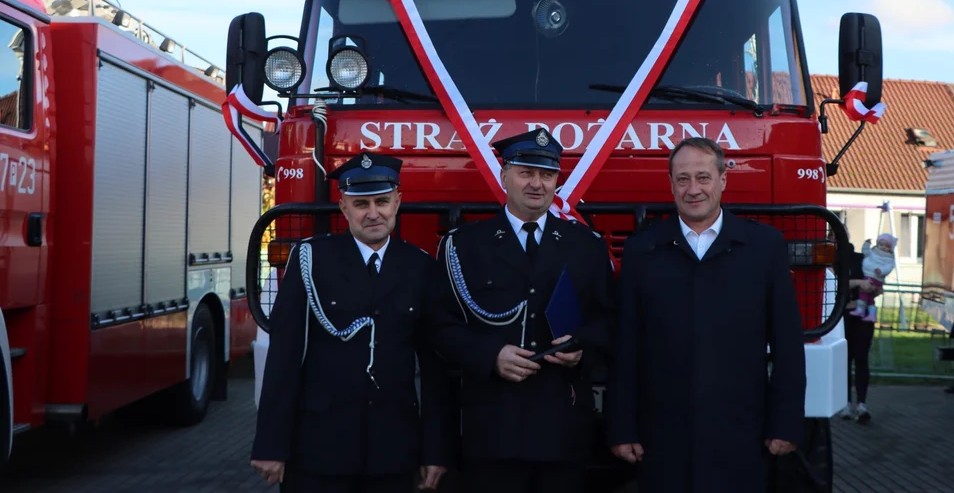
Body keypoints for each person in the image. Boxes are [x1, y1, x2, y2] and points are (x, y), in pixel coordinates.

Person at [605, 137, 806, 493]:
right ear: (671, 184)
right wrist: (622, 427)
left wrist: (786, 423)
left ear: (723, 180)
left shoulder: (765, 247)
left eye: (703, 177)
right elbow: (626, 345)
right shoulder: (642, 250)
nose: (693, 189)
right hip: (663, 436)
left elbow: (788, 343)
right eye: (683, 179)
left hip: (743, 434)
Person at [426, 128, 616, 493]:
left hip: (562, 427)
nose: (537, 184)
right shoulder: (464, 245)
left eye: (547, 175)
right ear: (504, 176)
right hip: (493, 427)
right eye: (526, 172)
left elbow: (609, 321)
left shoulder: (586, 246)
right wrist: (490, 355)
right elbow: (439, 326)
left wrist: (582, 347)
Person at [250, 152, 454, 492]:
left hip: (394, 451)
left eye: (382, 202)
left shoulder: (420, 267)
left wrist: (436, 449)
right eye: (361, 204)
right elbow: (284, 359)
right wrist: (270, 444)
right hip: (318, 450)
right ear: (344, 208)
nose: (373, 213)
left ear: (397, 202)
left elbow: (434, 370)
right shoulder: (311, 260)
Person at [839, 235, 890, 423]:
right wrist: (859, 283)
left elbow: (879, 286)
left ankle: (861, 404)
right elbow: (835, 281)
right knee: (844, 360)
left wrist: (874, 287)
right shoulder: (832, 259)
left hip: (863, 318)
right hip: (841, 317)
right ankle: (845, 403)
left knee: (861, 358)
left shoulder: (863, 259)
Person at [849, 233, 896, 323]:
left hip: (874, 276)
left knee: (863, 291)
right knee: (870, 297)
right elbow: (866, 252)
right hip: (870, 274)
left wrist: (881, 271)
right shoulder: (874, 251)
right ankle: (871, 314)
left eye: (885, 246)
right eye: (880, 244)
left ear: (890, 247)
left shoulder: (889, 257)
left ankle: (861, 310)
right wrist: (867, 244)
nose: (882, 247)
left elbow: (888, 267)